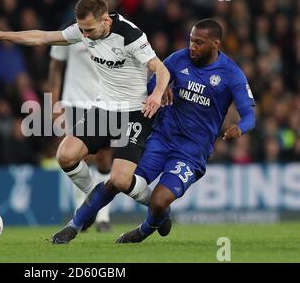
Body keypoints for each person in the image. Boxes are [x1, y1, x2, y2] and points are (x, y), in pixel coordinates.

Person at [0, 0, 171, 243]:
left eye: (89, 30)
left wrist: (157, 95)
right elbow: (42, 37)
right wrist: (1, 34)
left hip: (134, 112)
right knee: (65, 155)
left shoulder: (131, 36)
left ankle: (159, 207)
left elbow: (161, 69)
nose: (84, 36)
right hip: (104, 108)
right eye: (81, 30)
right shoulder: (84, 30)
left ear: (105, 20)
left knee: (119, 179)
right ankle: (92, 199)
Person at [55, 18, 256, 244]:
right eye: (191, 40)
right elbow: (151, 84)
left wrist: (240, 128)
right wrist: (161, 90)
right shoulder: (178, 59)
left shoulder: (231, 74)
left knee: (159, 201)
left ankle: (143, 230)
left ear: (216, 43)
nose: (192, 47)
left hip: (191, 153)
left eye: (199, 42)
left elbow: (249, 115)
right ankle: (74, 226)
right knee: (118, 180)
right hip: (159, 139)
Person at [47, 0, 113, 232]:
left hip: (106, 102)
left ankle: (104, 216)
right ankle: (84, 211)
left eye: (98, 0)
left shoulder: (116, 32)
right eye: (89, 0)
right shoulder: (71, 32)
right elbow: (55, 69)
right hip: (74, 101)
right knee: (78, 156)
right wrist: (53, 104)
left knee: (105, 158)